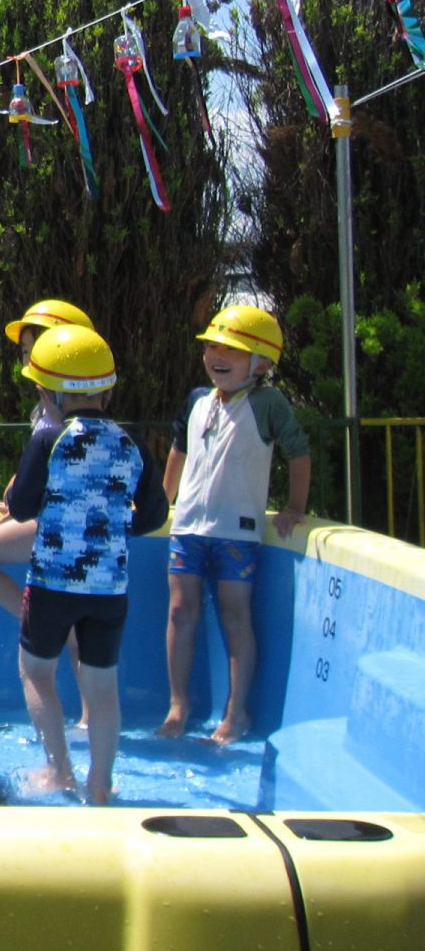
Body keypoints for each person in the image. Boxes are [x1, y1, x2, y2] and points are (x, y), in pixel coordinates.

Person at [5, 326, 168, 804]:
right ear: (107, 390)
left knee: (36, 673)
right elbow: (154, 514)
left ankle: (59, 771)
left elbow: (21, 506)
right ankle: (100, 783)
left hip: (52, 583)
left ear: (51, 394)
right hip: (109, 588)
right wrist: (114, 527)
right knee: (102, 687)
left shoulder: (49, 439)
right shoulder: (132, 442)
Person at [159, 304, 311, 743]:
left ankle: (236, 712)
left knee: (235, 614)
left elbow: (298, 451)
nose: (217, 356)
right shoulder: (197, 400)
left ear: (261, 363)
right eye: (212, 346)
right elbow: (178, 451)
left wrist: (295, 506)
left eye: (233, 350)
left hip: (236, 532)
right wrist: (163, 502)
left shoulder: (267, 403)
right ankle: (177, 705)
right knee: (179, 610)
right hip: (189, 526)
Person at [0, 299, 95, 722]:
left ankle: (47, 627)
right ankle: (89, 716)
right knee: (82, 636)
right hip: (65, 526)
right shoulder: (51, 409)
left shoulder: (62, 415)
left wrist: (20, 500)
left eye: (39, 349)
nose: (30, 360)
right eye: (27, 351)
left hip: (53, 525)